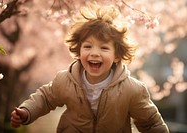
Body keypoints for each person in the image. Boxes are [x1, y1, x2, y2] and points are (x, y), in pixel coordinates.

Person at [11, 2, 169, 133]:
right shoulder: (65, 80)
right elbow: (45, 98)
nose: (94, 53)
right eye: (87, 46)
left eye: (104, 48)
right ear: (78, 51)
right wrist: (27, 112)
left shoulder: (131, 89)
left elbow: (150, 123)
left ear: (117, 55)